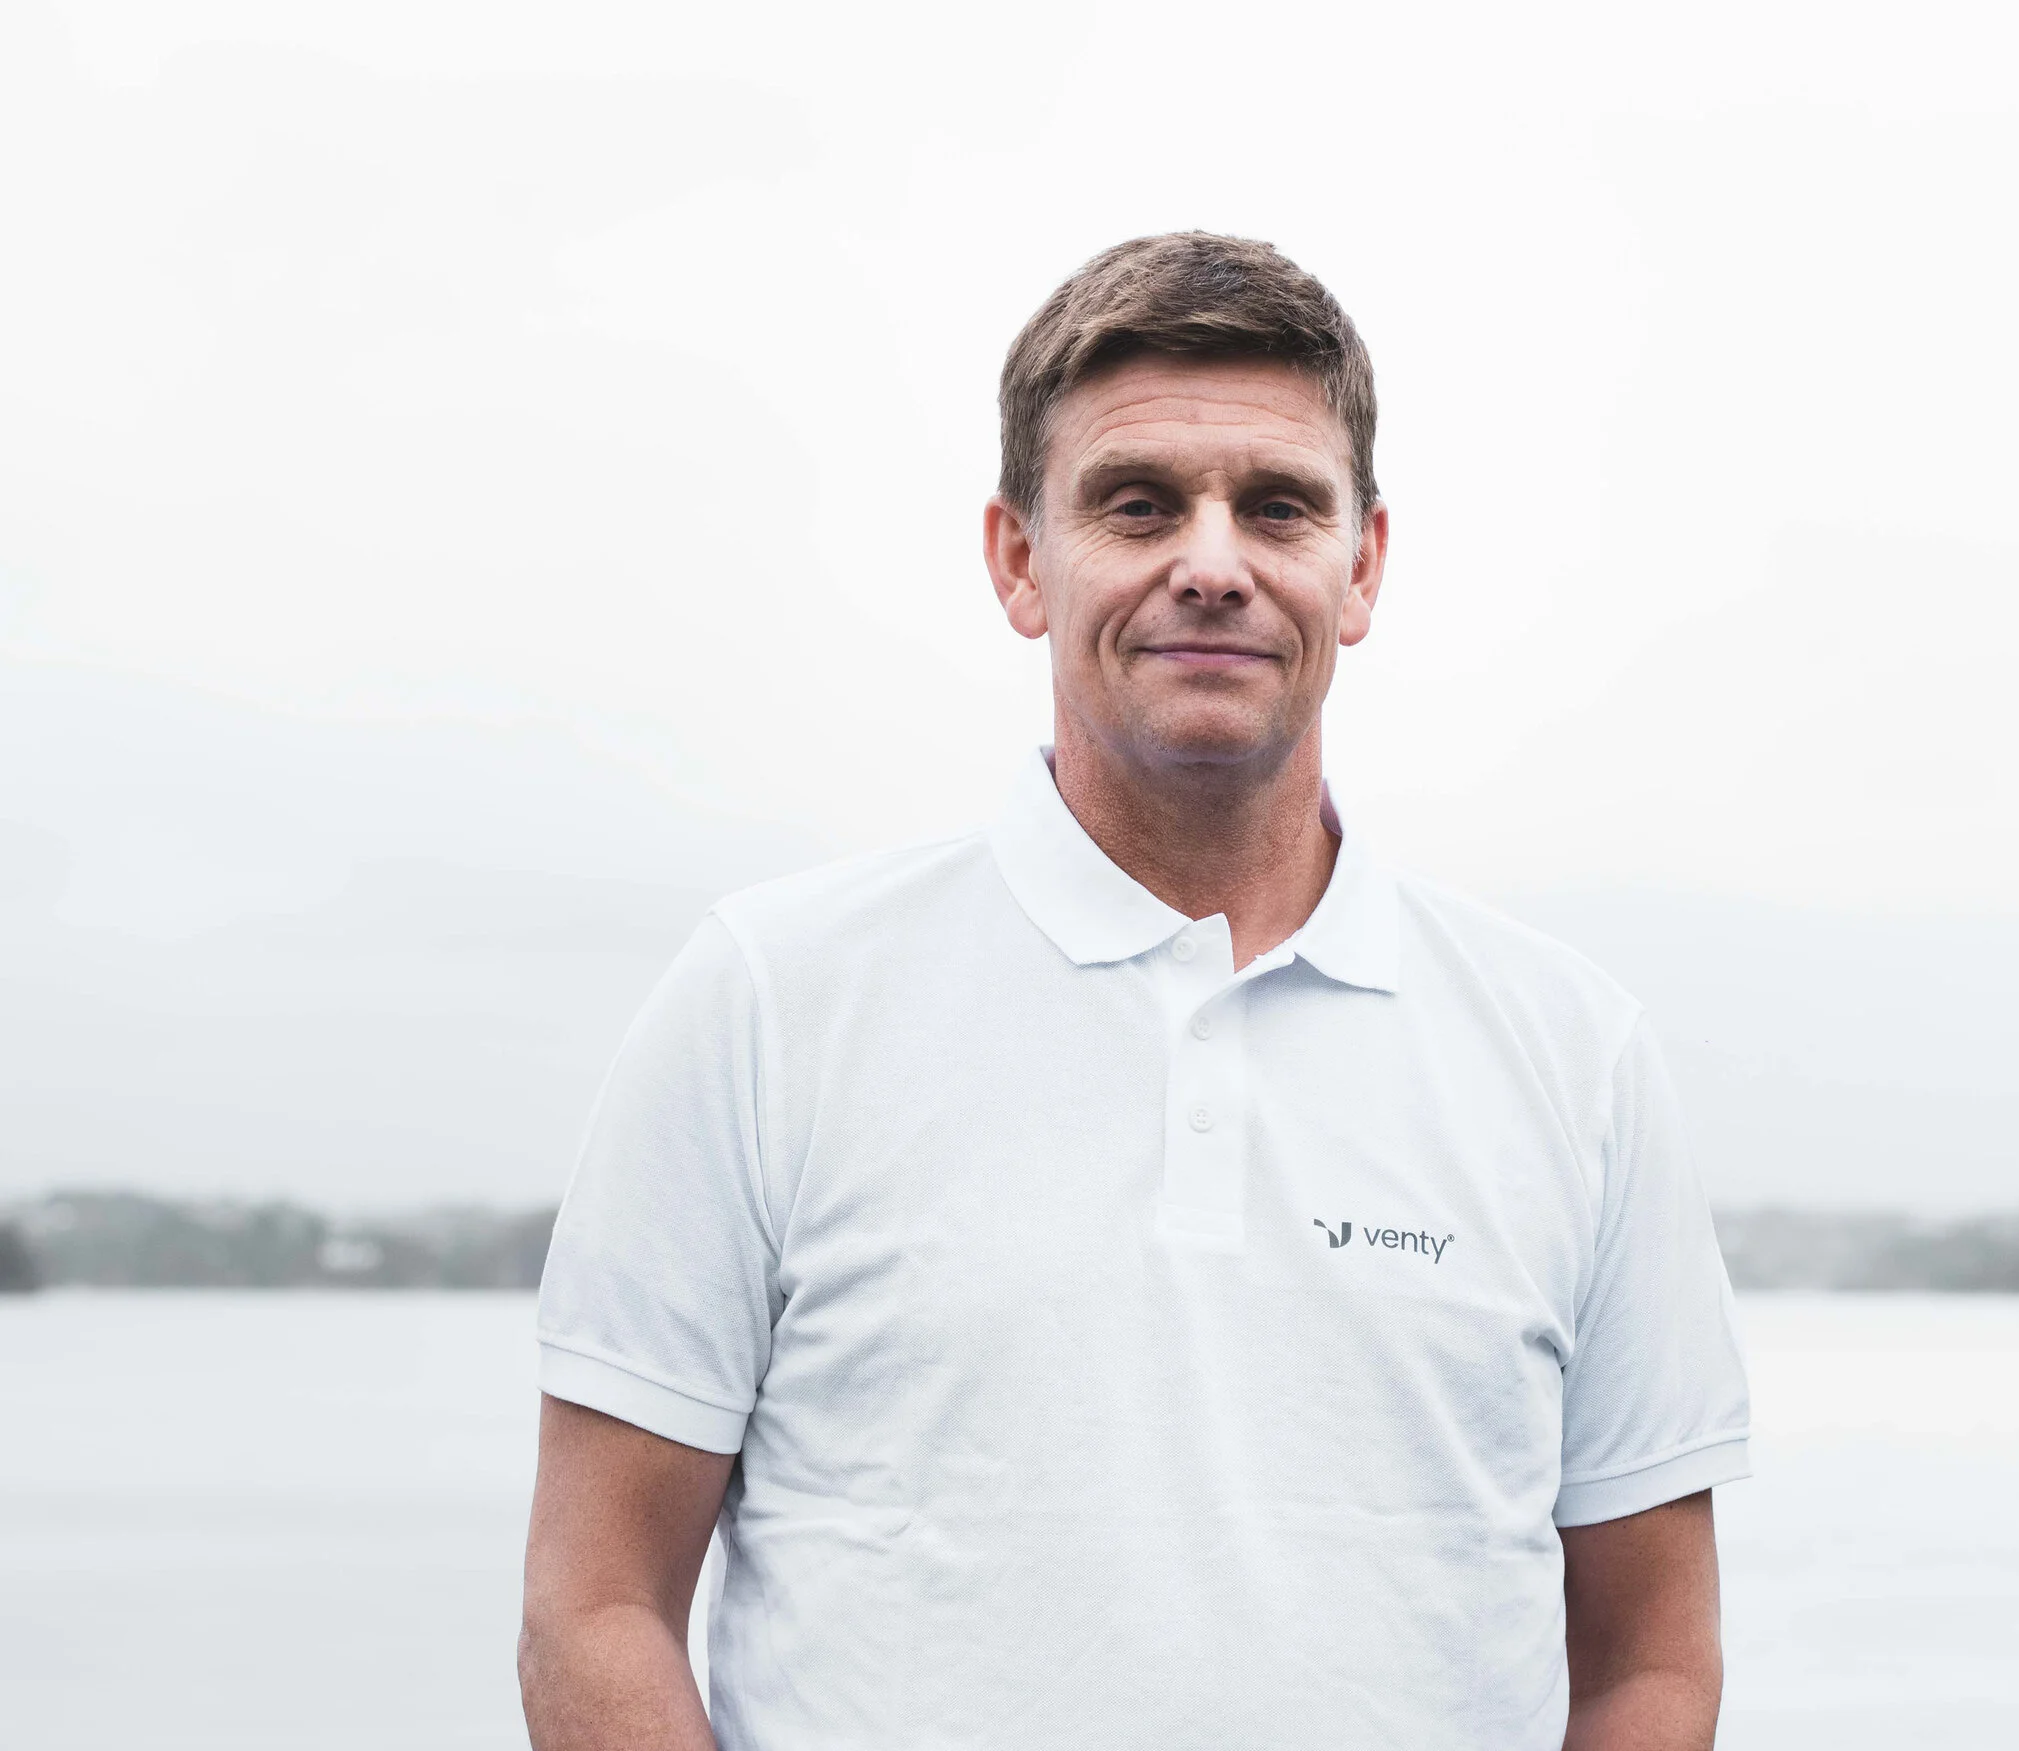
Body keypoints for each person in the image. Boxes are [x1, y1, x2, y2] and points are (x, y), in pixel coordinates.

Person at [518, 231, 1751, 1750]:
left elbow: (1650, 1661)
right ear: (1019, 561)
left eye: (1279, 506)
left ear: (1361, 566)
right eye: (1138, 503)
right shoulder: (771, 1001)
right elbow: (596, 1605)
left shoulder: (1574, 1057)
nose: (1213, 564)